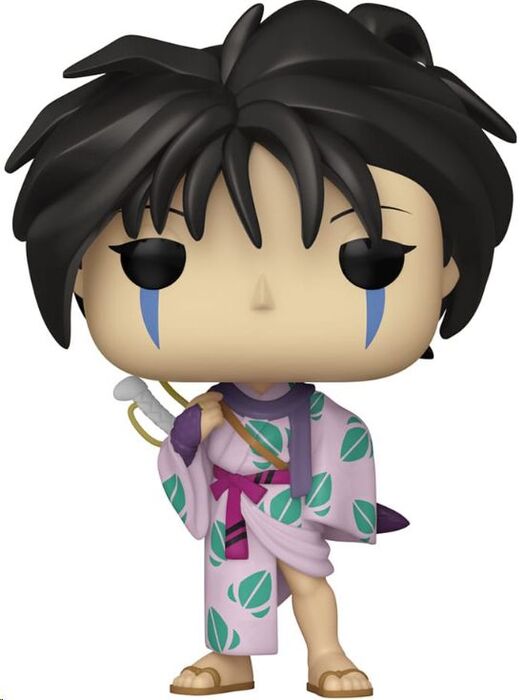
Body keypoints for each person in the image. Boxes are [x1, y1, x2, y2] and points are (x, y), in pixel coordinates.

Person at [5, 1, 515, 696]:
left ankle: (327, 654)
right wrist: (193, 430)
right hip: (232, 510)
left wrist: (329, 499)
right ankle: (232, 660)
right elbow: (180, 452)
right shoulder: (215, 405)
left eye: (369, 262)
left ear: (446, 269)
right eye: (156, 263)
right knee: (230, 588)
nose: (262, 300)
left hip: (291, 503)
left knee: (309, 583)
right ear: (82, 276)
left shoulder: (318, 415)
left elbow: (345, 444)